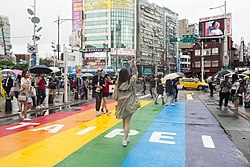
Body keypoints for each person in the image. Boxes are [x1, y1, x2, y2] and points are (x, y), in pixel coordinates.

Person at [113, 58, 140, 147]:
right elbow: (136, 73)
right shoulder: (131, 81)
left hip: (121, 104)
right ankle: (124, 138)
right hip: (130, 104)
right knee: (128, 121)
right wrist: (132, 64)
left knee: (124, 121)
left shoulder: (118, 83)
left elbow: (115, 96)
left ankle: (126, 136)